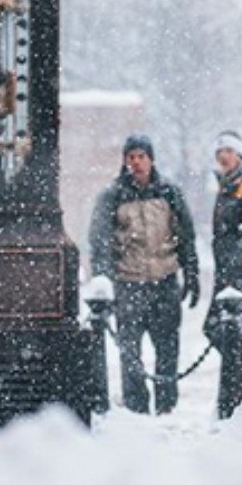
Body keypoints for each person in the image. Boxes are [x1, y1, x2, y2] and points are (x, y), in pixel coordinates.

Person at [89, 134, 200, 415]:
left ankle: (166, 405)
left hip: (164, 281)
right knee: (130, 354)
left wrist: (192, 272)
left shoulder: (169, 193)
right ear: (124, 161)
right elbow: (99, 242)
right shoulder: (112, 196)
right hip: (128, 283)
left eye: (141, 156)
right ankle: (136, 407)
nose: (136, 163)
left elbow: (186, 235)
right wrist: (105, 280)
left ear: (151, 159)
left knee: (167, 348)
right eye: (131, 157)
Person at [206, 130, 242, 419]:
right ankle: (235, 389)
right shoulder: (228, 186)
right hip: (226, 272)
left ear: (239, 154)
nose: (223, 157)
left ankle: (235, 394)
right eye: (219, 153)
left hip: (239, 275)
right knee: (218, 330)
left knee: (226, 332)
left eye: (227, 151)